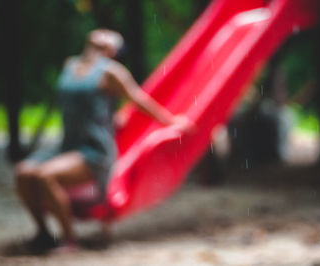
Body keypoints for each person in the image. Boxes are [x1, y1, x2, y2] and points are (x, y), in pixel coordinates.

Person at [15, 29, 191, 252]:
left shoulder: (111, 72)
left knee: (43, 176)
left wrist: (171, 121)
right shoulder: (70, 65)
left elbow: (138, 99)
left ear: (113, 49)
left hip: (93, 150)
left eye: (112, 36)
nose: (104, 33)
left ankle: (70, 240)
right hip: (67, 146)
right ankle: (43, 233)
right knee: (22, 173)